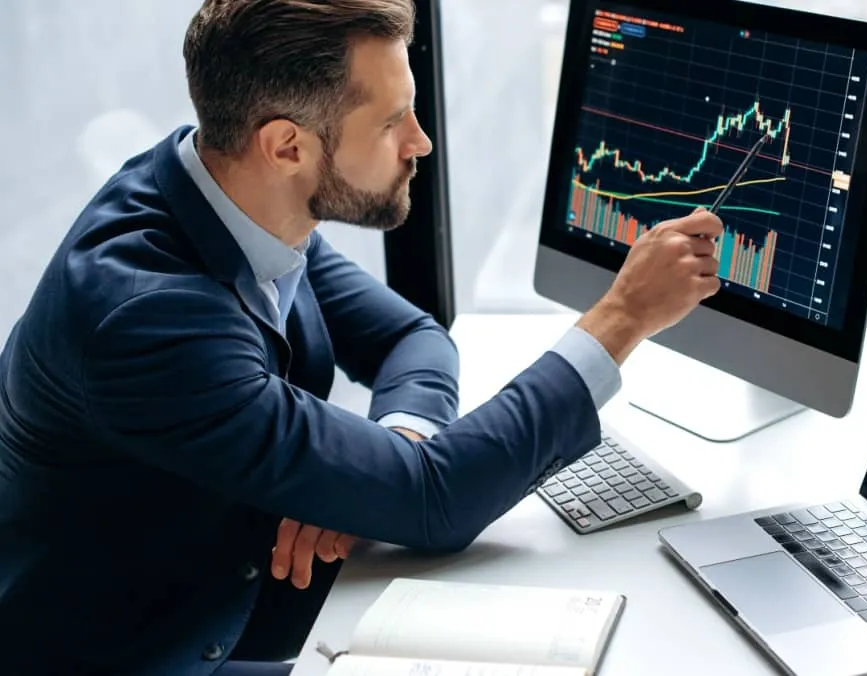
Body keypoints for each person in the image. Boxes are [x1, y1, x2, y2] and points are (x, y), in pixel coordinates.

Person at [0, 0, 724, 674]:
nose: (422, 141)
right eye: (392, 122)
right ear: (286, 145)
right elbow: (437, 501)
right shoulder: (147, 318)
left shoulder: (227, 193)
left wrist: (395, 443)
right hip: (160, 651)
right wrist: (622, 317)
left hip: (247, 590)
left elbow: (411, 338)